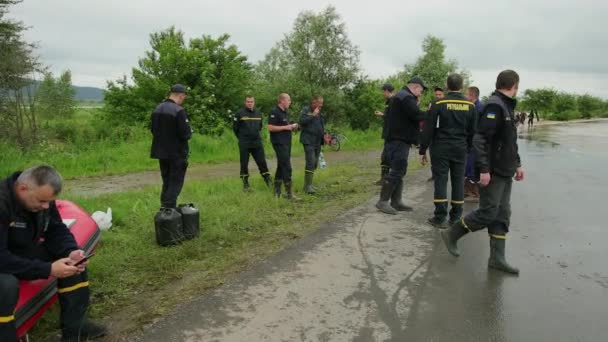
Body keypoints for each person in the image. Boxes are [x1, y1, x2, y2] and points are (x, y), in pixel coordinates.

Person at [0, 166, 107, 342]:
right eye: (42, 201)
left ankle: (75, 327)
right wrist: (47, 269)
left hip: (17, 250)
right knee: (6, 286)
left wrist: (71, 251)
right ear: (22, 188)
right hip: (3, 259)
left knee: (71, 263)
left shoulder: (41, 201)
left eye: (49, 202)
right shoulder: (2, 203)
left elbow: (56, 229)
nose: (45, 206)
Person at [440, 70, 525, 275]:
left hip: (505, 170)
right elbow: (480, 140)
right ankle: (452, 233)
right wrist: (484, 169)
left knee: (502, 214)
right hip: (493, 171)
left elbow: (509, 142)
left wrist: (518, 164)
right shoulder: (494, 105)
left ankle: (497, 258)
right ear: (514, 84)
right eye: (517, 85)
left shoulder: (505, 105)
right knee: (489, 212)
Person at [419, 74, 476, 228]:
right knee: (458, 181)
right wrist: (468, 148)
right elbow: (473, 131)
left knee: (441, 180)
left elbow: (428, 128)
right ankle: (456, 217)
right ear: (462, 85)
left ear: (447, 85)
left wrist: (422, 149)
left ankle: (440, 217)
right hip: (460, 149)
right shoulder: (470, 105)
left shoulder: (438, 103)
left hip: (440, 148)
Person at [376, 76, 427, 214]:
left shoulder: (401, 96)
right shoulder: (406, 97)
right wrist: (432, 112)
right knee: (398, 169)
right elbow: (416, 115)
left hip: (398, 139)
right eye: (421, 90)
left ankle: (396, 201)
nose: (420, 93)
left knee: (399, 169)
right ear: (415, 87)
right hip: (399, 140)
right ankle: (382, 201)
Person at [150, 84, 193, 209]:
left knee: (167, 182)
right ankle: (169, 211)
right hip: (177, 153)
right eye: (183, 97)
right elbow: (185, 134)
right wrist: (190, 132)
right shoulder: (178, 110)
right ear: (180, 95)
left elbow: (153, 130)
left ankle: (164, 210)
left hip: (161, 153)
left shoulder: (157, 109)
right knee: (175, 183)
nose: (183, 99)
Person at [233, 96, 272, 191]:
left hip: (256, 142)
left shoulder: (258, 113)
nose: (250, 103)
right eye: (248, 101)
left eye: (251, 101)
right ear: (245, 102)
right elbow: (235, 129)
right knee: (244, 163)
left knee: (262, 162)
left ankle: (268, 181)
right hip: (244, 142)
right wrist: (242, 138)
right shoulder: (239, 113)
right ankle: (245, 184)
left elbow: (260, 127)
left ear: (254, 102)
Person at [268, 93, 299, 200]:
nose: (290, 102)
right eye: (288, 100)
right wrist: (287, 127)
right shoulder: (274, 112)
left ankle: (277, 192)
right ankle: (289, 194)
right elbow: (270, 128)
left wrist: (292, 127)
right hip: (279, 143)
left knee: (281, 166)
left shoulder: (285, 112)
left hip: (287, 143)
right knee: (287, 167)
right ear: (282, 101)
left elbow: (285, 126)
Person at [299, 96, 325, 194]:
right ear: (314, 102)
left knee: (314, 163)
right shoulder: (306, 110)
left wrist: (324, 135)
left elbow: (320, 125)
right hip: (308, 140)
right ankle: (306, 187)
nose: (321, 105)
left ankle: (310, 184)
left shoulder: (319, 112)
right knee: (310, 162)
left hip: (318, 141)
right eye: (320, 103)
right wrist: (313, 115)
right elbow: (302, 121)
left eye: (322, 103)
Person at [464, 86, 483, 202]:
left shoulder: (478, 108)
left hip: (475, 143)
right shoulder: (473, 107)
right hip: (471, 143)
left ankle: (474, 193)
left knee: (472, 167)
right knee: (468, 167)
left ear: (471, 95)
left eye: (467, 94)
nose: (466, 97)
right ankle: (467, 191)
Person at [373, 83, 394, 185]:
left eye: (383, 91)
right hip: (389, 133)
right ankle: (385, 178)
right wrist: (383, 114)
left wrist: (384, 115)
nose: (382, 93)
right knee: (386, 156)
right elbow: (390, 116)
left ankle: (385, 179)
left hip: (391, 134)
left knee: (386, 156)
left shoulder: (393, 101)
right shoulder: (390, 101)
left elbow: (394, 118)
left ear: (386, 91)